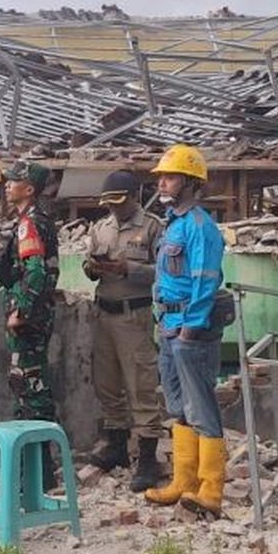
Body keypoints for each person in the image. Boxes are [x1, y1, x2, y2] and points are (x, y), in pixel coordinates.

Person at [142, 144, 228, 516]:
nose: (163, 182)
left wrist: (191, 327)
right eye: (162, 176)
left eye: (170, 176)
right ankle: (184, 482)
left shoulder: (199, 227)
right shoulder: (173, 224)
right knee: (178, 407)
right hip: (168, 326)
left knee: (201, 408)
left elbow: (205, 281)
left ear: (191, 182)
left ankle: (211, 490)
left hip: (190, 330)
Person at [82, 170, 165, 492]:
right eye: (110, 204)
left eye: (120, 202)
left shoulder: (153, 227)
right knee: (107, 383)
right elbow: (89, 267)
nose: (115, 209)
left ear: (135, 197)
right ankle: (115, 445)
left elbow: (166, 272)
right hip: (104, 313)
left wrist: (129, 268)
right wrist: (93, 267)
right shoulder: (100, 228)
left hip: (135, 314)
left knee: (141, 385)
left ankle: (147, 458)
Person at [0, 160, 61, 487]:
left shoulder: (29, 224)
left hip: (29, 318)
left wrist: (20, 311)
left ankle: (39, 473)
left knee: (30, 387)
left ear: (29, 189)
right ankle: (33, 468)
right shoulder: (35, 220)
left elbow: (34, 270)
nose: (8, 185)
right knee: (26, 386)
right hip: (36, 314)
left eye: (14, 181)